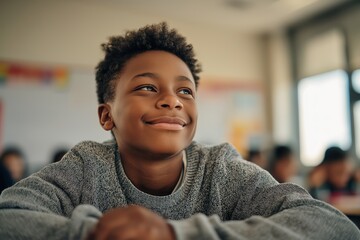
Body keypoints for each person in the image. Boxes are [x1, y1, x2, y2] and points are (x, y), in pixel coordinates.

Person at [0, 22, 359, 240]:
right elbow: (9, 217)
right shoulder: (86, 167)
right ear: (106, 115)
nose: (172, 101)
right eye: (147, 87)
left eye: (185, 91)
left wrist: (174, 234)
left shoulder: (220, 170)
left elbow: (332, 227)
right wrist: (97, 233)